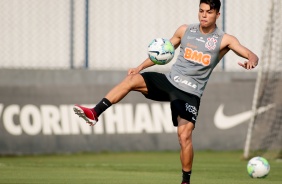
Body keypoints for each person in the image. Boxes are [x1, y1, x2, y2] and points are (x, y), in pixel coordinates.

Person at [73, 0, 259, 183]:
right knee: (131, 80)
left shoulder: (225, 40)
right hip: (169, 81)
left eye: (209, 12)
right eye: (201, 11)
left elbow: (251, 54)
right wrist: (139, 67)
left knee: (184, 136)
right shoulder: (185, 30)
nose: (204, 15)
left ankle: (185, 181)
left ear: (217, 14)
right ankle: (95, 112)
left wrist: (251, 61)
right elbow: (162, 53)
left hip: (190, 92)